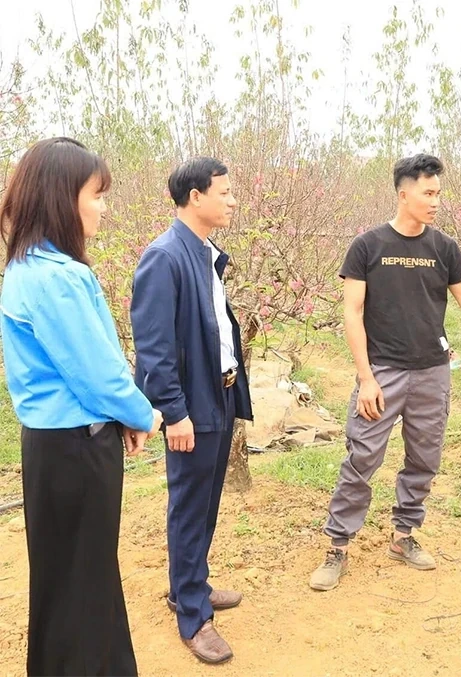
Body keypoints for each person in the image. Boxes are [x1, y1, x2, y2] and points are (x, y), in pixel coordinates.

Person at [309, 153, 461, 591]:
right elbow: (352, 312)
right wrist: (366, 377)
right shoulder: (368, 246)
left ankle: (404, 535)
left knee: (424, 459)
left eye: (438, 193)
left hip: (431, 372)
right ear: (404, 194)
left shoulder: (443, 247)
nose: (436, 201)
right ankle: (338, 545)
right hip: (382, 372)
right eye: (428, 193)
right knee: (362, 457)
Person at [0, 137, 164, 676]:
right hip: (77, 449)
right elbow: (97, 372)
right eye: (95, 194)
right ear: (60, 198)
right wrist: (143, 414)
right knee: (87, 579)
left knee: (63, 575)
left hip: (53, 447)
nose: (102, 206)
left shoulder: (26, 268)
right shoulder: (61, 278)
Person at [130, 157, 253, 665]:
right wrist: (173, 412)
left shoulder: (202, 251)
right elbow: (154, 348)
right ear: (195, 197)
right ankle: (192, 617)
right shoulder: (165, 256)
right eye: (223, 192)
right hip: (192, 405)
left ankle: (190, 585)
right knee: (189, 506)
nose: (231, 200)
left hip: (219, 393)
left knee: (205, 503)